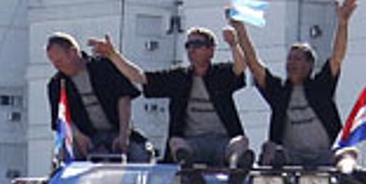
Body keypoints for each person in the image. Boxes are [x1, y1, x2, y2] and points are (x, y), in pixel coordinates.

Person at [95, 23, 252, 168]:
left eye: (197, 45)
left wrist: (233, 44)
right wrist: (113, 55)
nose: (191, 50)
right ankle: (188, 170)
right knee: (176, 143)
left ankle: (236, 171)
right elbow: (140, 77)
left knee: (241, 142)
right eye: (188, 45)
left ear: (211, 50)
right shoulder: (179, 78)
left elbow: (239, 68)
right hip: (192, 143)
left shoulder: (221, 74)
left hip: (222, 142)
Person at [238, 0, 358, 167]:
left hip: (325, 156)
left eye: (297, 59)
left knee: (348, 152)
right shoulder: (279, 90)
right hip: (291, 157)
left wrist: (343, 23)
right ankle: (271, 171)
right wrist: (240, 30)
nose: (291, 63)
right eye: (289, 59)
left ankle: (348, 173)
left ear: (310, 65)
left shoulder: (320, 86)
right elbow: (254, 64)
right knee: (271, 149)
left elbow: (337, 57)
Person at [44, 33, 149, 163]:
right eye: (53, 63)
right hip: (86, 136)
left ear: (72, 52)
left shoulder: (104, 66)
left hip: (117, 130)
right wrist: (78, 136)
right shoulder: (56, 84)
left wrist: (124, 134)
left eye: (59, 61)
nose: (57, 66)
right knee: (66, 160)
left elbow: (124, 98)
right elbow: (61, 119)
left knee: (139, 153)